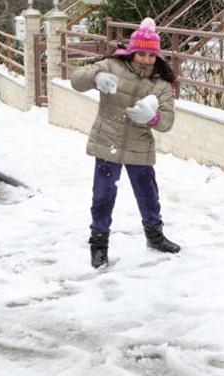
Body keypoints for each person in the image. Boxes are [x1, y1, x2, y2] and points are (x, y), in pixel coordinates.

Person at [70, 18, 181, 269]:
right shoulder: (112, 66)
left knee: (148, 196)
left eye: (151, 55)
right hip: (107, 143)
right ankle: (99, 245)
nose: (146, 59)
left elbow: (167, 122)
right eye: (141, 53)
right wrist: (96, 77)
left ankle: (155, 237)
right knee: (103, 197)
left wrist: (151, 117)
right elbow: (76, 80)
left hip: (139, 148)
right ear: (132, 52)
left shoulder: (161, 85)